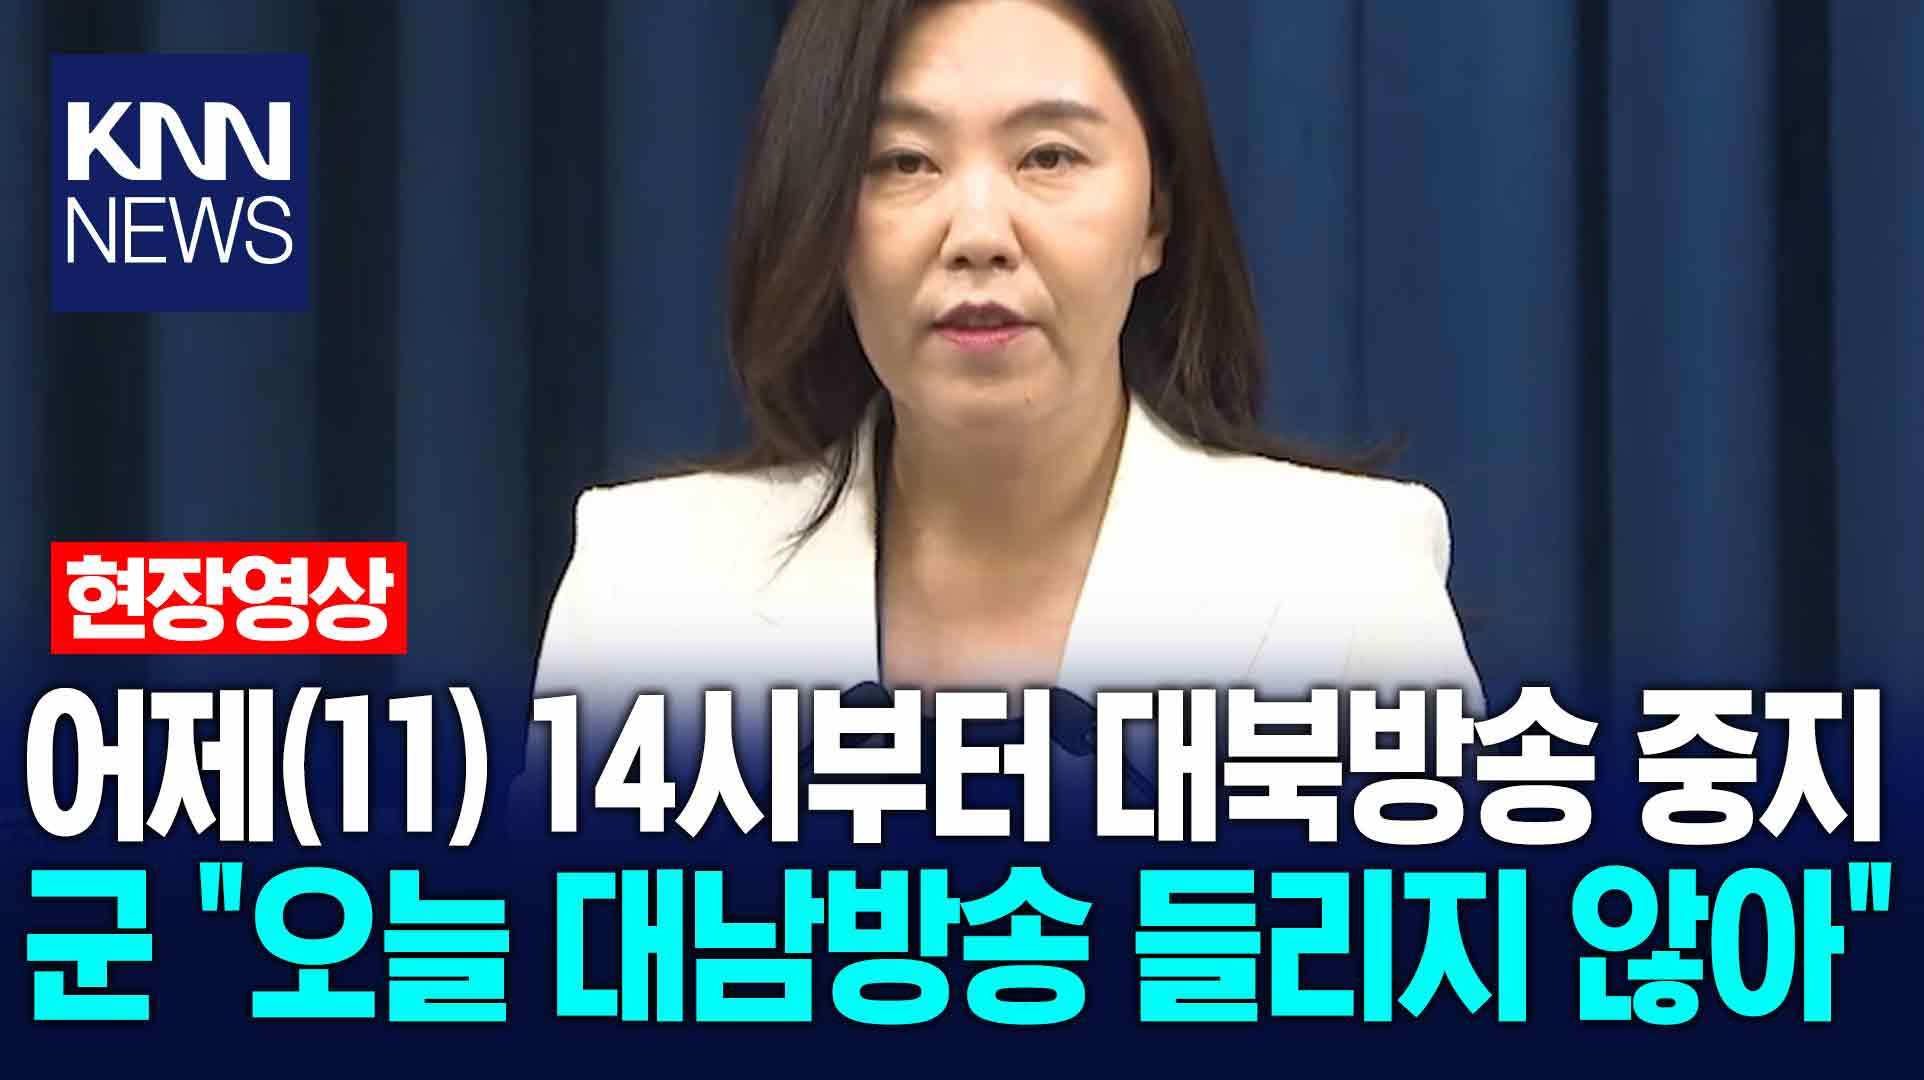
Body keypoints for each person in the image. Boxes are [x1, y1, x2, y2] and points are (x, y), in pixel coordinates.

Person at [517, 0, 1483, 814]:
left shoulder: (1342, 590)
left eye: (1049, 157)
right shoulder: (647, 592)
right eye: (904, 162)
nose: (978, 233)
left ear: (1156, 215)